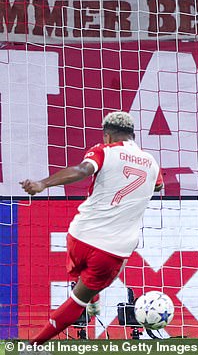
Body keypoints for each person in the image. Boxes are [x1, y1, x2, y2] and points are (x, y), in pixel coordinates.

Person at [20, 111, 163, 345]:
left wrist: (41, 184)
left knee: (83, 272)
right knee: (80, 299)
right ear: (133, 135)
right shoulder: (152, 162)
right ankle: (34, 345)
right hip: (111, 251)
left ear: (107, 136)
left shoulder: (103, 150)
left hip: (78, 236)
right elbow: (159, 186)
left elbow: (82, 170)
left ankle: (88, 292)